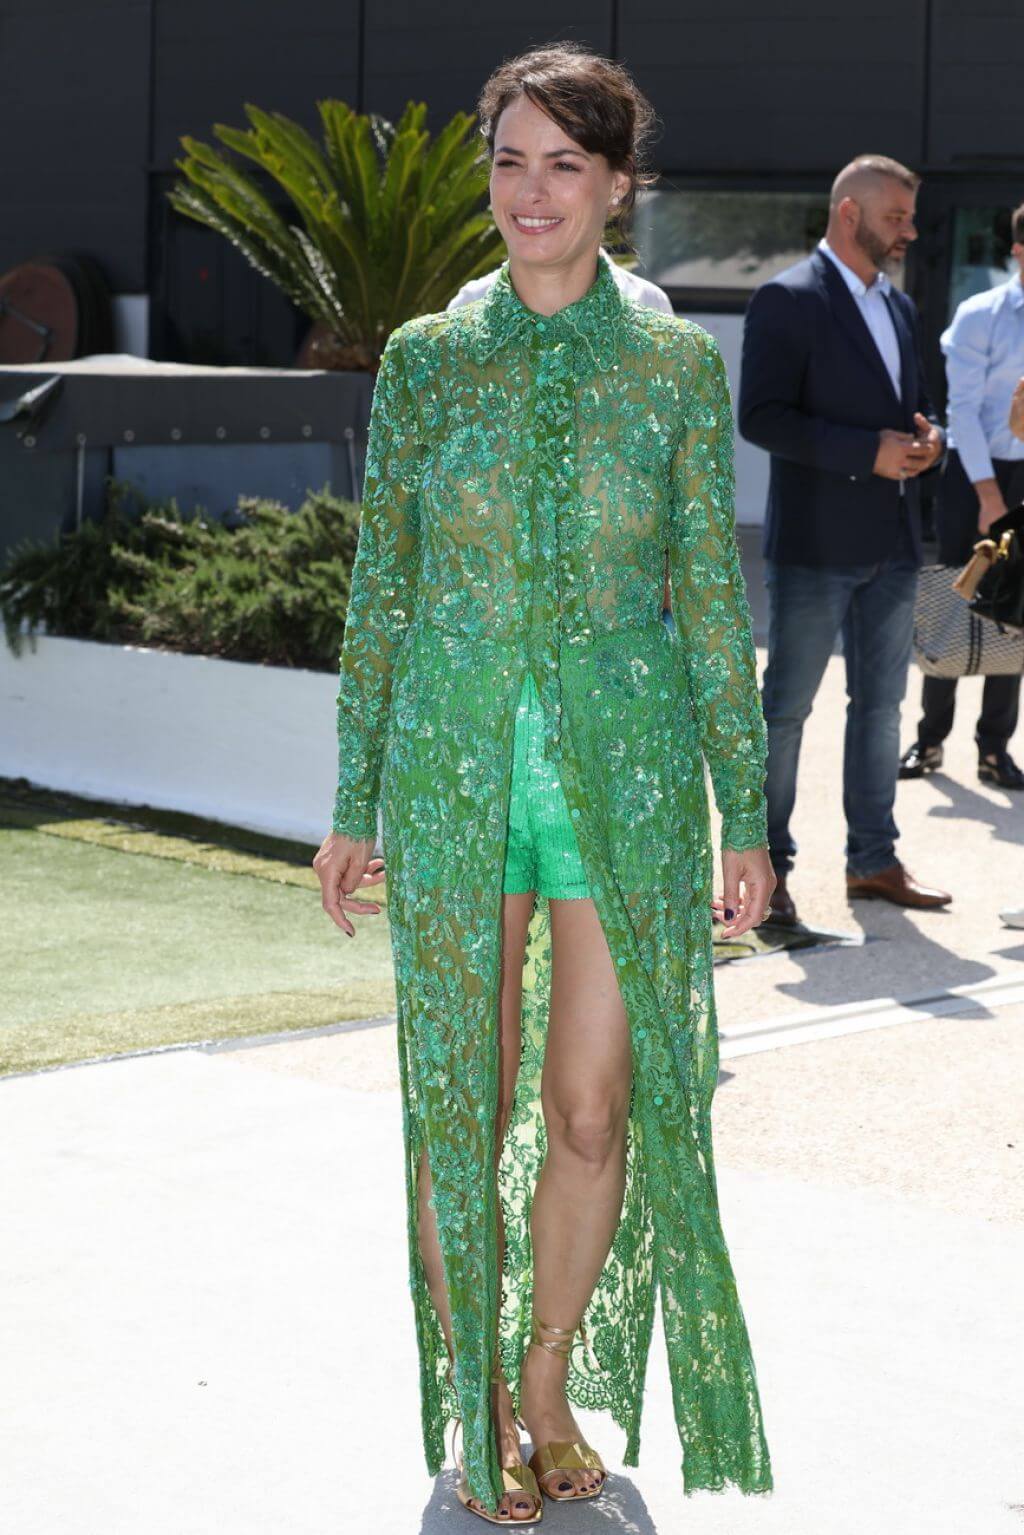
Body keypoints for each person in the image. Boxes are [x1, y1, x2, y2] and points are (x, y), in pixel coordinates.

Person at [312, 42, 775, 1525]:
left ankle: (545, 1376)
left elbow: (710, 596)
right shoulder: (426, 362)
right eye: (510, 160)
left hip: (622, 780)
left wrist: (746, 812)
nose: (531, 191)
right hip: (454, 771)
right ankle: (470, 1403)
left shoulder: (673, 369)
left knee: (590, 1109)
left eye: (564, 164)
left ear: (618, 187)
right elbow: (381, 589)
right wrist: (353, 797)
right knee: (464, 1098)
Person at [738, 154, 950, 926]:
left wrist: (931, 440)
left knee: (881, 708)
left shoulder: (899, 308)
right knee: (787, 710)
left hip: (894, 544)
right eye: (898, 216)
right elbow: (759, 417)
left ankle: (873, 860)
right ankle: (768, 869)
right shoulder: (785, 300)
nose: (911, 231)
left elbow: (921, 405)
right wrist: (868, 452)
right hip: (813, 549)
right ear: (850, 214)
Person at [900, 202, 1024, 789]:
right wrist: (988, 493)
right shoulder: (982, 314)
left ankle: (994, 749)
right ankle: (929, 741)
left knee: (1016, 613)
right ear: (1018, 250)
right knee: (956, 597)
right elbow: (964, 412)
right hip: (976, 473)